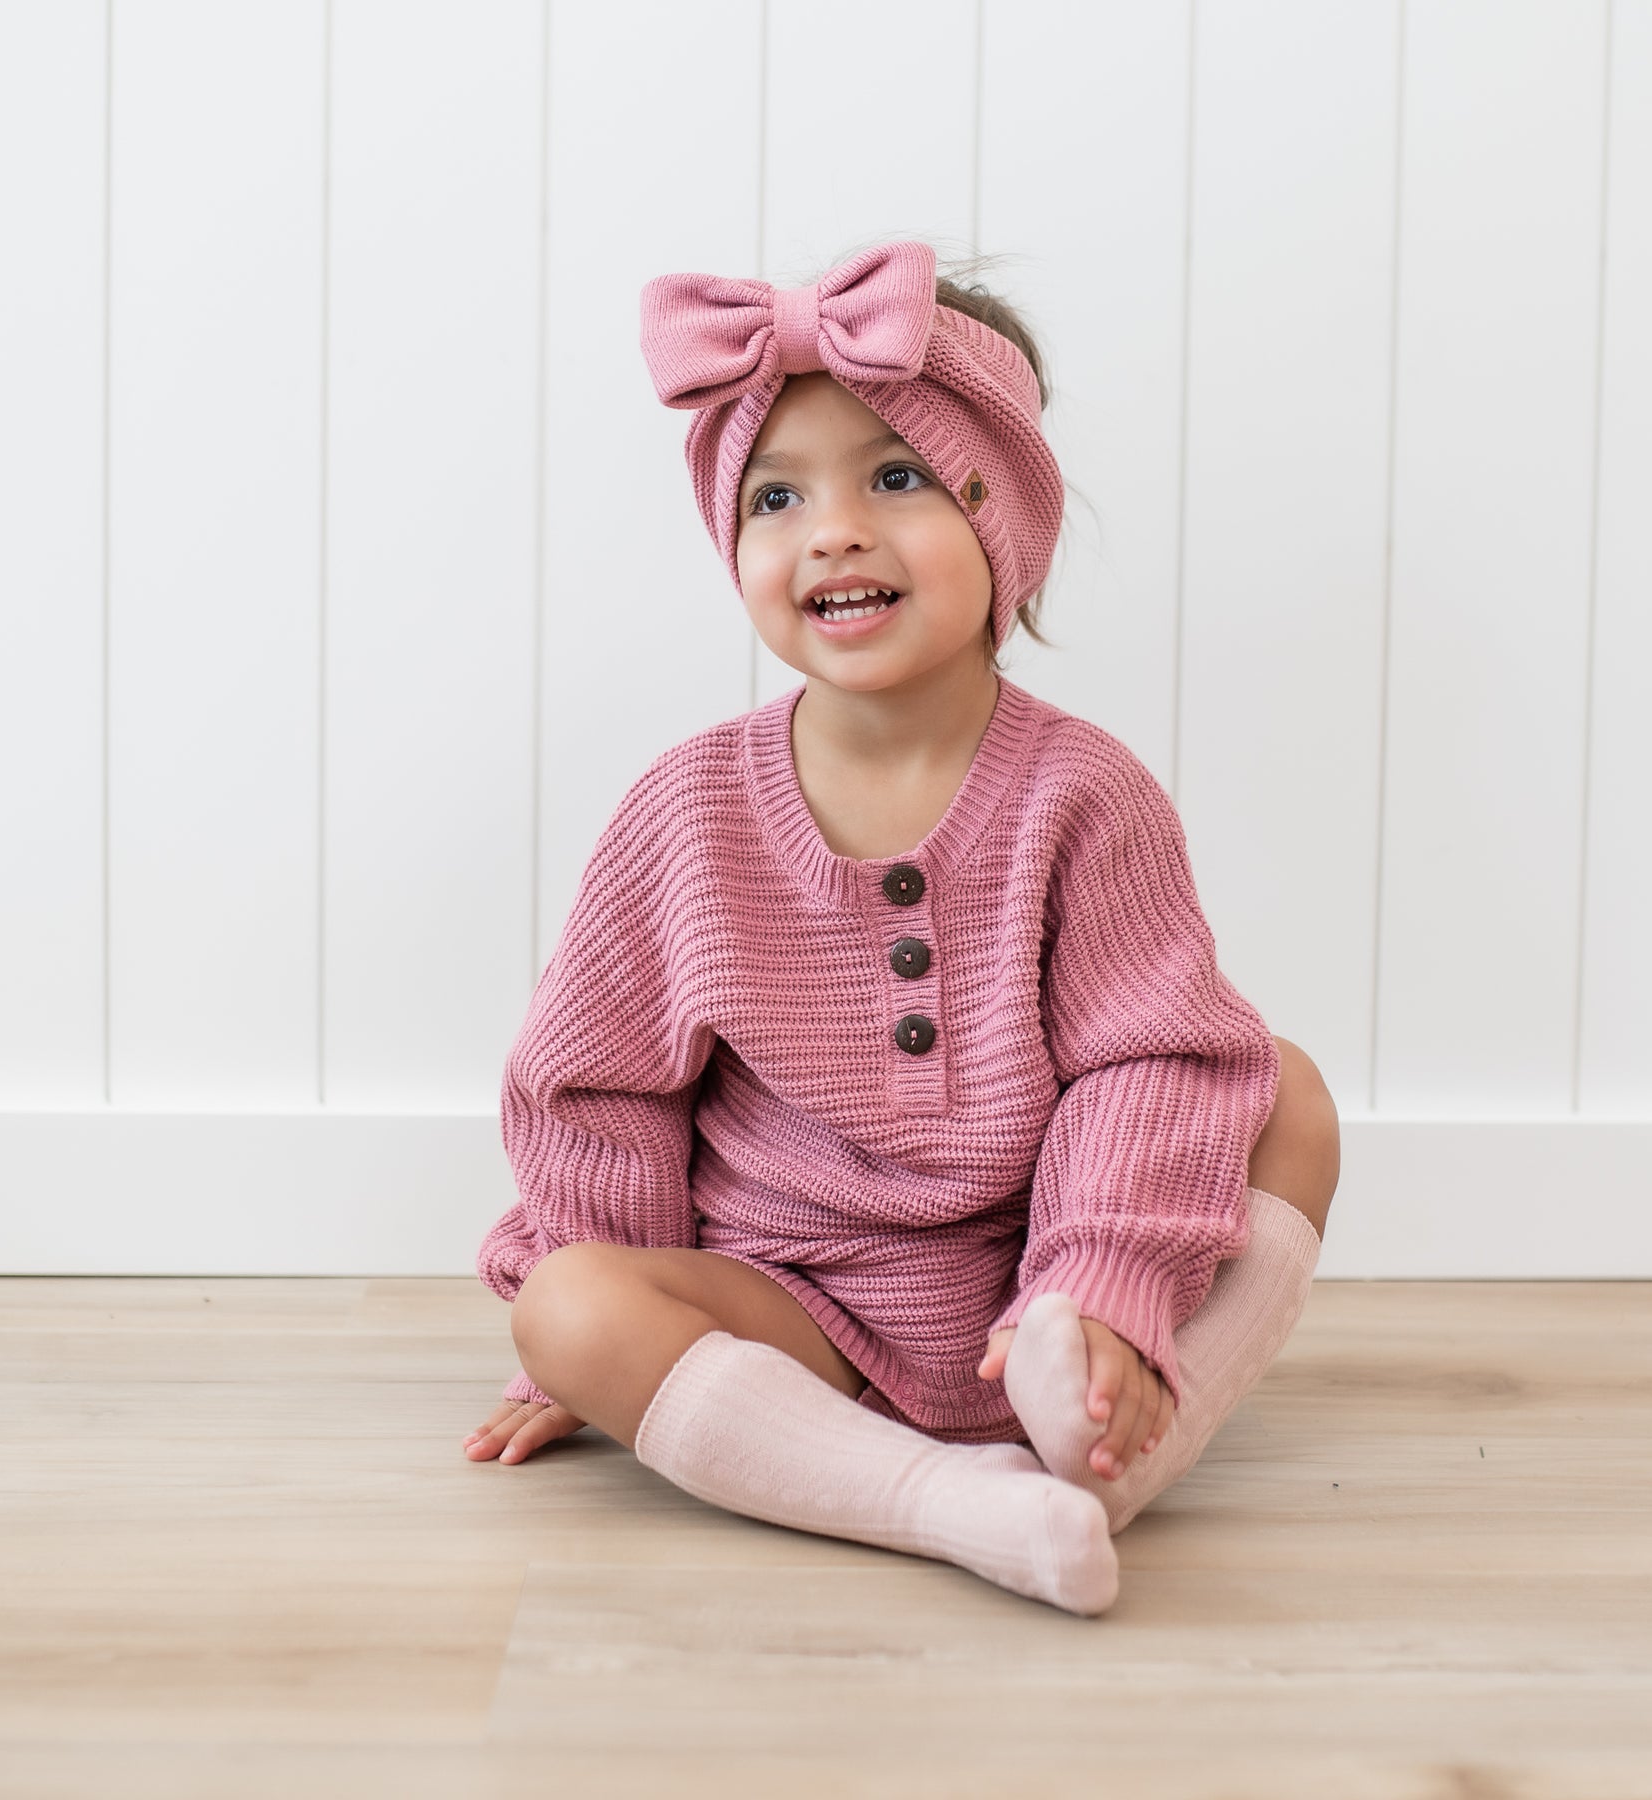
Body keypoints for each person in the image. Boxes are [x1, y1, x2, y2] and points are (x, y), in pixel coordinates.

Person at [462, 239, 1341, 1616]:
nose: (833, 531)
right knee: (568, 1302)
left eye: (894, 477)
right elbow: (596, 1089)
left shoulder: (1083, 796)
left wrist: (1104, 1277)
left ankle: (1104, 1434)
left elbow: (1150, 1063)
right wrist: (593, 1344)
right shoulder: (688, 810)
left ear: (1005, 518)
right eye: (777, 496)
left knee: (1281, 1089)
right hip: (790, 1305)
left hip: (1041, 1270)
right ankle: (944, 1503)